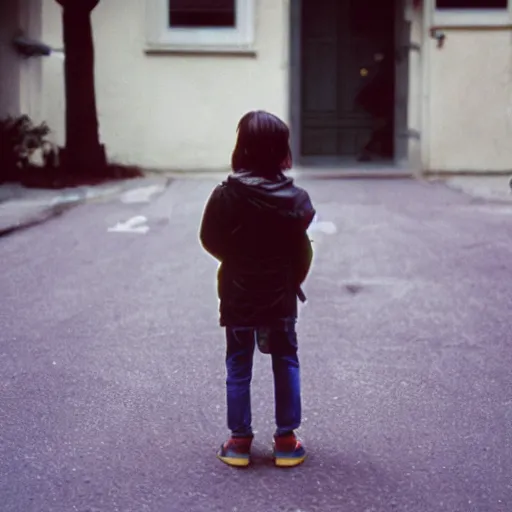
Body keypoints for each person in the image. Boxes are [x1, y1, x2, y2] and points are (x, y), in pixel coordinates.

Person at [199, 111, 316, 468]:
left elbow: (209, 239)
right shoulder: (295, 199)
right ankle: (285, 440)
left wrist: (237, 261)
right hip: (280, 293)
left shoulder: (225, 195)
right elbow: (303, 250)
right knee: (285, 361)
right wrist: (289, 276)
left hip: (237, 292)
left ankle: (238, 442)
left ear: (242, 149)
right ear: (282, 151)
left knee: (238, 365)